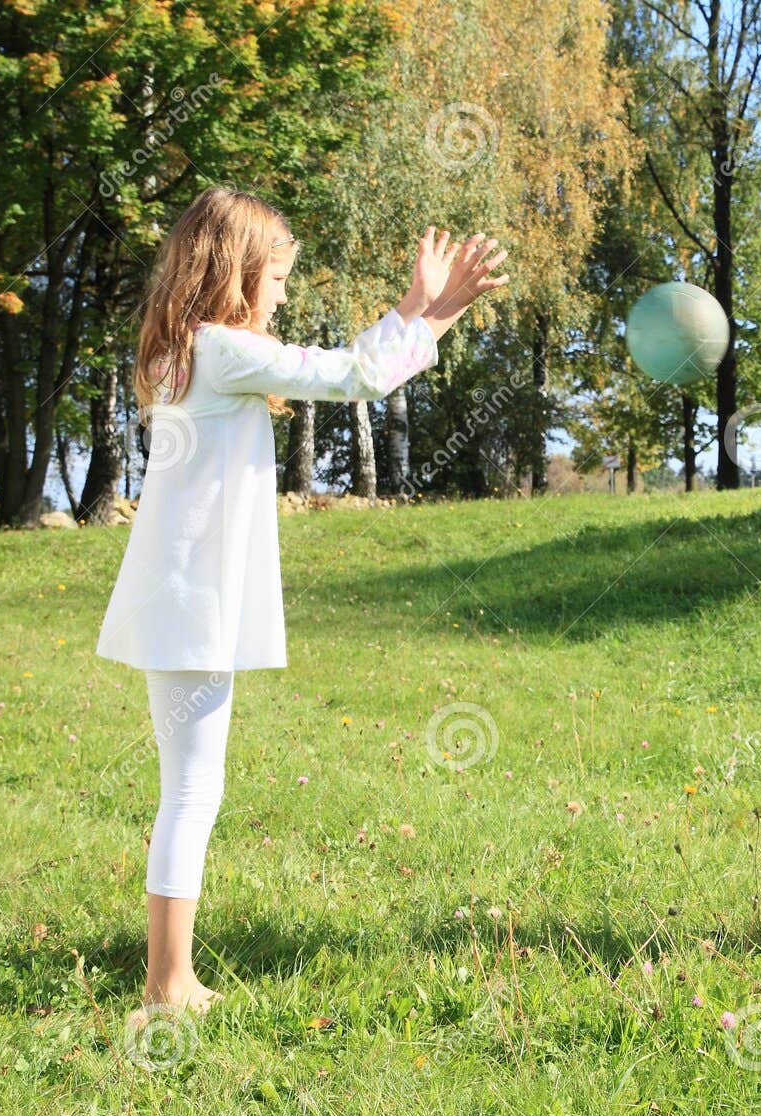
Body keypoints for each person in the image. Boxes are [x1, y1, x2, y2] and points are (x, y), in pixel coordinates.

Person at [95, 186, 510, 1015]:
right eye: (277, 278)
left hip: (179, 598)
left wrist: (422, 310)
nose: (284, 295)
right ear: (238, 273)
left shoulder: (189, 352)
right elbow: (355, 376)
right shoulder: (220, 350)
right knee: (190, 792)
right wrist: (435, 308)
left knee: (190, 788)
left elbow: (355, 368)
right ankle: (166, 985)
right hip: (191, 603)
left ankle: (168, 978)